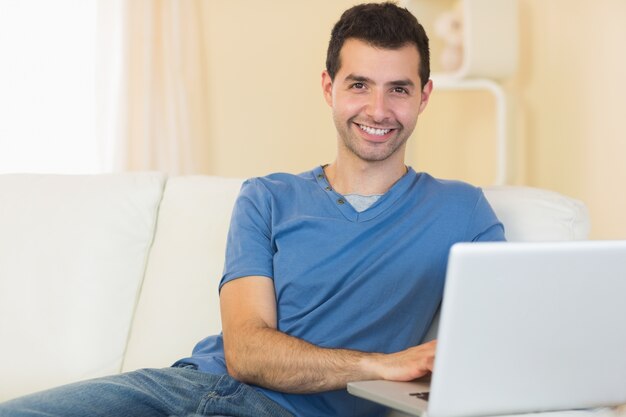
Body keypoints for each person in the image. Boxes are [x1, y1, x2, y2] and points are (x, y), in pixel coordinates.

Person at [0, 3, 504, 417]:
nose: (377, 109)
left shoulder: (461, 211)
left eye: (398, 88)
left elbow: (501, 346)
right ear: (329, 88)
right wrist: (383, 364)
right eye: (358, 84)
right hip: (179, 388)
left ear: (424, 96)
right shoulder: (266, 197)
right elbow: (246, 352)